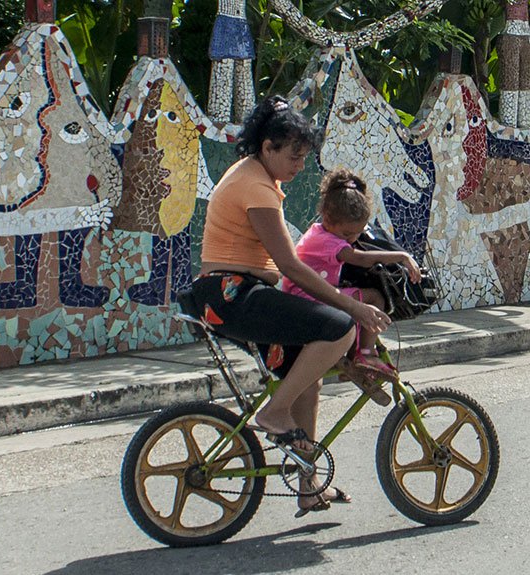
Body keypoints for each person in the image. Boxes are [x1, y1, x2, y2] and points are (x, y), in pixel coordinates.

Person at [176, 95, 392, 517]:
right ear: (267, 147)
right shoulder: (256, 187)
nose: (298, 165)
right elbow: (291, 266)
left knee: (307, 377)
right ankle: (274, 413)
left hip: (233, 294)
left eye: (304, 156)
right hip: (233, 295)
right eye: (292, 155)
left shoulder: (257, 179)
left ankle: (308, 485)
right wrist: (357, 310)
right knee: (339, 328)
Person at [279, 168, 422, 406]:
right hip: (308, 297)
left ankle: (352, 356)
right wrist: (402, 256)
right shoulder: (326, 240)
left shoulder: (323, 232)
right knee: (374, 299)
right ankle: (364, 354)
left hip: (309, 296)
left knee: (357, 301)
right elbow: (360, 258)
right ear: (326, 218)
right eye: (347, 233)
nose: (351, 239)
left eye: (357, 233)